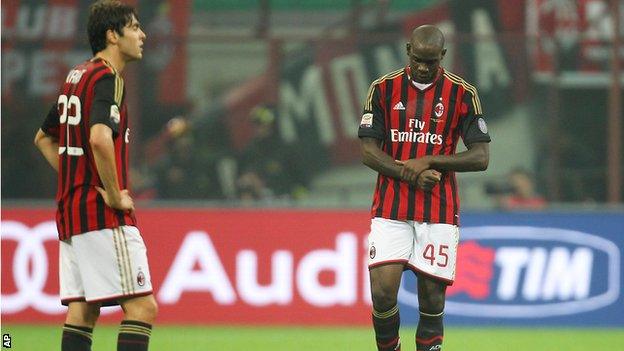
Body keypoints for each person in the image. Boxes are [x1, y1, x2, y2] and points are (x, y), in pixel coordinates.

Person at [33, 2, 157, 350]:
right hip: (100, 214)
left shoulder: (77, 76)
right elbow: (100, 138)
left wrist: (78, 179)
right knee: (142, 307)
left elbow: (44, 139)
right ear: (112, 35)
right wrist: (115, 194)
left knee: (83, 313)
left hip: (71, 212)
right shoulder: (107, 79)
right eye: (133, 27)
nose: (142, 34)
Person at [358, 24, 491, 351]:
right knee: (383, 291)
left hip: (439, 211)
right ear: (407, 51)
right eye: (418, 59)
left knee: (431, 297)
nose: (422, 66)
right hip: (391, 209)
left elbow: (481, 156)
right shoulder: (383, 88)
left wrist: (432, 161)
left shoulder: (463, 93)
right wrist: (409, 173)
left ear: (442, 56)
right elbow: (368, 150)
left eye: (430, 61)